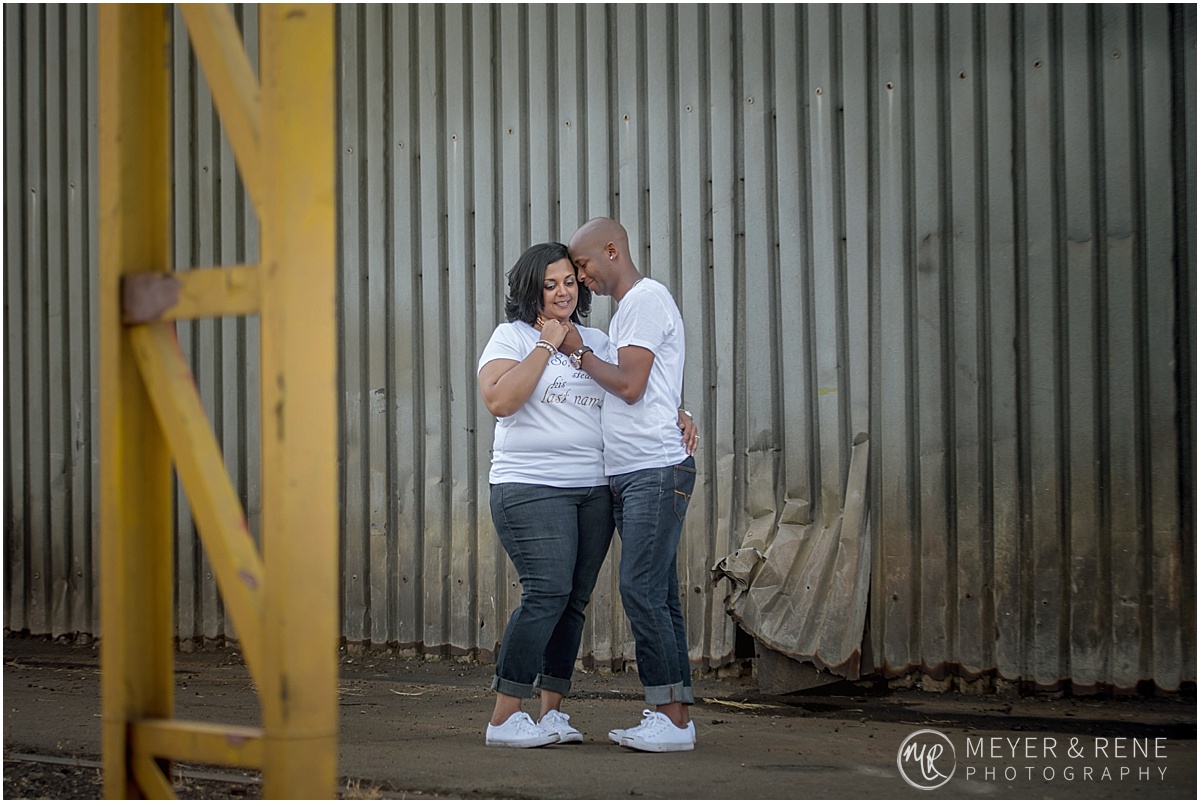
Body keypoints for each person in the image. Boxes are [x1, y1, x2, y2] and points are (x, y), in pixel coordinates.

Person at [556, 217, 700, 753]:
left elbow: (632, 387)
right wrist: (680, 410)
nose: (582, 278)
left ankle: (671, 719)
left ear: (612, 250)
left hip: (654, 469)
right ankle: (673, 713)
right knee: (658, 592)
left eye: (585, 266)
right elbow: (654, 386)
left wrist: (577, 351)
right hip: (636, 469)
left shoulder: (644, 299)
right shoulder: (628, 313)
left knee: (640, 588)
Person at [476, 242, 615, 748]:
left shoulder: (598, 338)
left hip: (594, 490)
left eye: (569, 283)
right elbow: (499, 400)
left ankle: (552, 713)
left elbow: (629, 390)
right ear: (531, 289)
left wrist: (678, 413)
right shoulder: (509, 337)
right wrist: (545, 346)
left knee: (573, 601)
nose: (561, 292)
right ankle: (504, 717)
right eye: (550, 284)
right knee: (547, 591)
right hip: (530, 486)